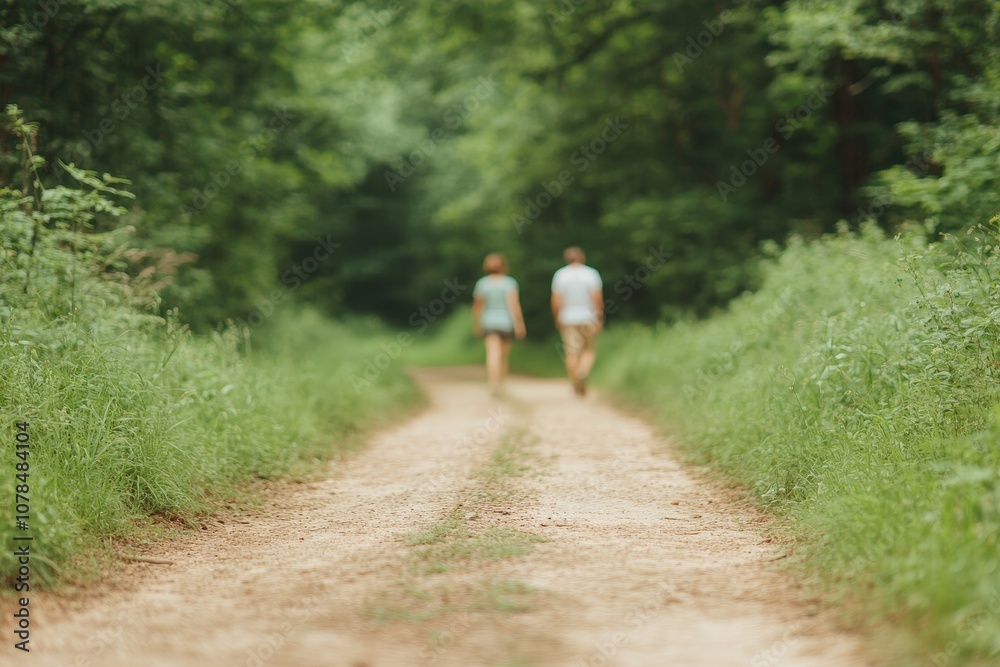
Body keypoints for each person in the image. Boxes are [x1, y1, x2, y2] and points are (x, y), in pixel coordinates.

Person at [551, 246, 603, 396]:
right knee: (589, 350)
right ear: (582, 258)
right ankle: (582, 371)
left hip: (567, 318)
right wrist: (598, 317)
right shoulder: (591, 274)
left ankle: (575, 382)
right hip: (587, 317)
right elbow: (596, 298)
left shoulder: (560, 275)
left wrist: (557, 316)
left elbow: (556, 300)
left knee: (571, 353)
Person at [473, 253, 526, 395]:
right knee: (503, 356)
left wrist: (477, 324)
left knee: (492, 354)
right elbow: (514, 305)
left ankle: (493, 382)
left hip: (489, 322)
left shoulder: (483, 284)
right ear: (503, 266)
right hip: (505, 322)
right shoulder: (509, 283)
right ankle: (500, 383)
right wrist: (519, 324)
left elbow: (478, 307)